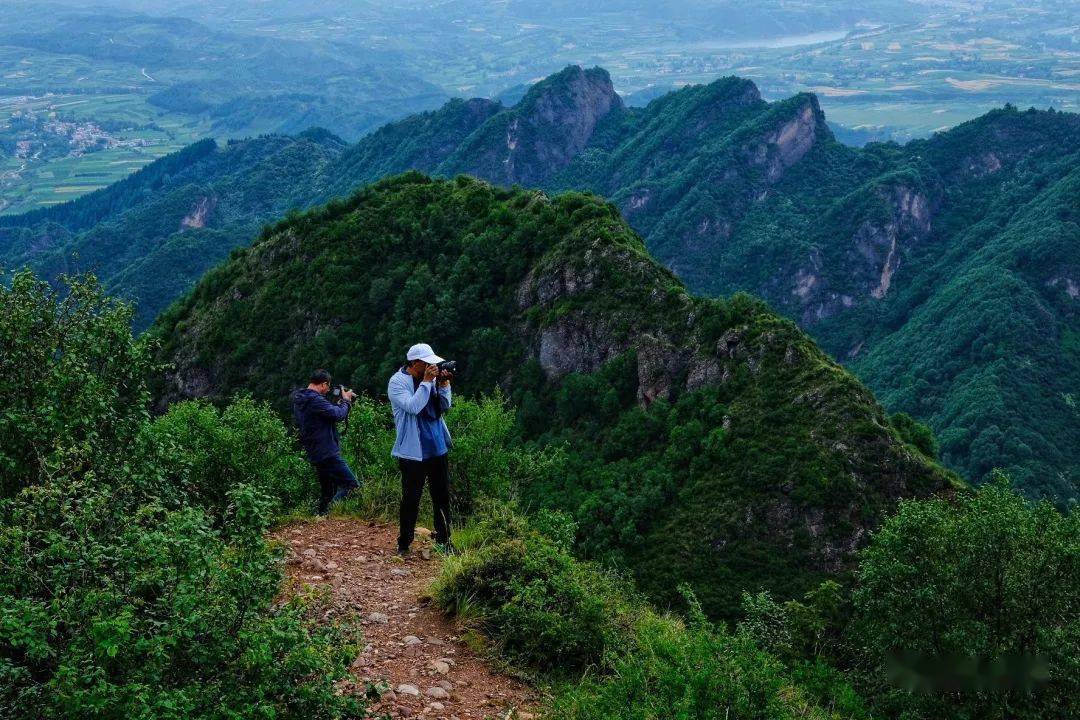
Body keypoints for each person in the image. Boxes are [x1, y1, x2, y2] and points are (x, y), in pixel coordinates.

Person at [388, 343, 454, 555]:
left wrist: (443, 385)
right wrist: (427, 382)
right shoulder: (397, 382)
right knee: (411, 498)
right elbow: (413, 407)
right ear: (415, 363)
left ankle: (444, 540)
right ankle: (404, 543)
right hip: (412, 451)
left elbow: (444, 407)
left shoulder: (432, 380)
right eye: (427, 363)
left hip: (437, 447)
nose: (432, 366)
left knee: (442, 496)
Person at [292, 369, 360, 516]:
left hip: (314, 451)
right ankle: (328, 515)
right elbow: (337, 415)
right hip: (327, 451)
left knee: (328, 491)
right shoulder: (315, 400)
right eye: (328, 387)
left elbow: (323, 415)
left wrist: (337, 402)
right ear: (323, 384)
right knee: (351, 485)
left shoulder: (301, 399)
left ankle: (320, 520)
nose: (329, 390)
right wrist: (346, 401)